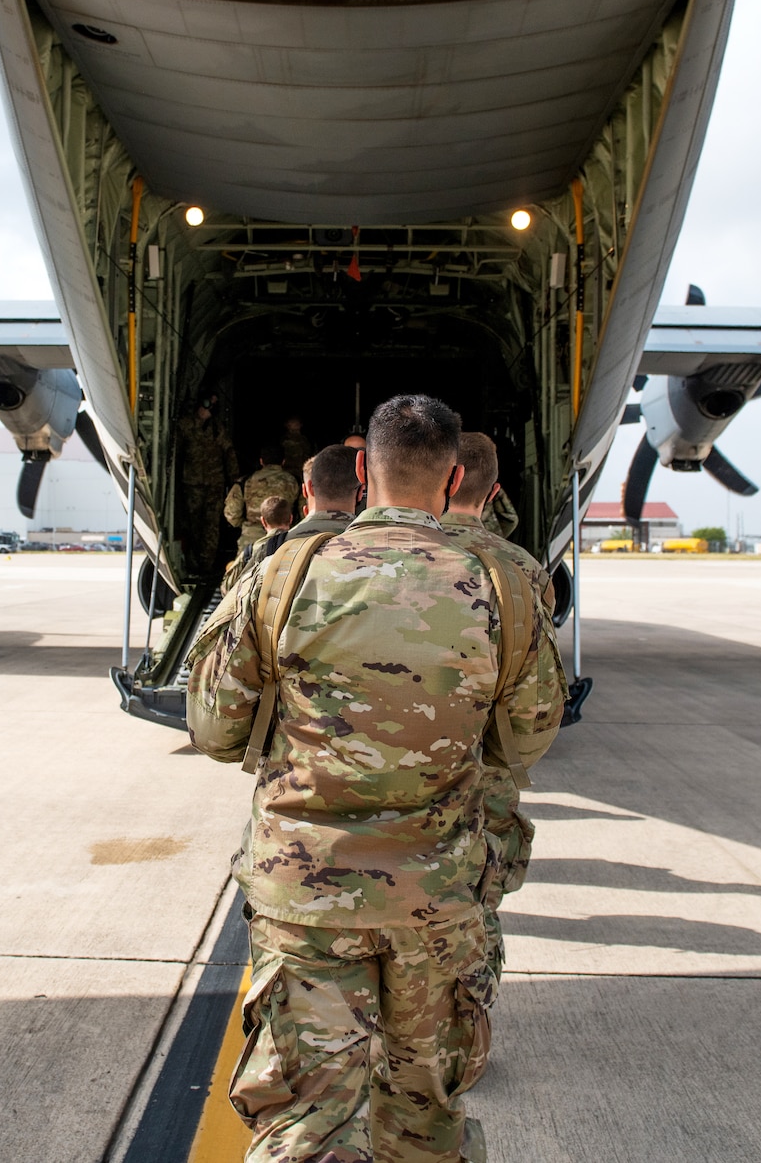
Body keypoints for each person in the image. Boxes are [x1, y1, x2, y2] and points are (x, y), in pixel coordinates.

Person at [187, 395, 565, 1163]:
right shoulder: (504, 586)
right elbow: (528, 737)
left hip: (308, 897)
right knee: (422, 1118)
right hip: (439, 899)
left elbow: (215, 729)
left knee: (307, 1125)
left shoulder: (285, 570)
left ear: (361, 471)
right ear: (458, 475)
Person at [437, 432, 556, 984]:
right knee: (474, 905)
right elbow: (538, 711)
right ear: (493, 490)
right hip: (483, 776)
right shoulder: (524, 570)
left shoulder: (378, 556)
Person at [221, 445, 363, 595]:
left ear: (308, 489)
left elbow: (231, 513)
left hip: (252, 536)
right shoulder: (376, 542)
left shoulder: (268, 548)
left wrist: (245, 524)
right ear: (361, 492)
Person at [176, 399, 237, 572]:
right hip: (192, 483)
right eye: (204, 405)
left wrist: (234, 480)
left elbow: (229, 452)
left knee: (211, 524)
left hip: (214, 483)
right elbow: (176, 449)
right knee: (193, 523)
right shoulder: (186, 425)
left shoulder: (217, 429)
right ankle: (194, 561)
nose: (206, 410)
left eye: (211, 408)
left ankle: (206, 564)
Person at [223, 444, 301, 553]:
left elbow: (231, 513)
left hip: (252, 540)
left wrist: (247, 525)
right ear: (283, 462)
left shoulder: (245, 481)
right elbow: (304, 511)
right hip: (285, 540)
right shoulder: (295, 482)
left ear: (261, 461)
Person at [279, 415, 313, 481]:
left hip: (301, 470)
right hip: (287, 471)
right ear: (287, 425)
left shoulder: (305, 440)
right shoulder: (283, 440)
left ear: (300, 424)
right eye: (292, 422)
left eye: (296, 423)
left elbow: (310, 455)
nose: (294, 424)